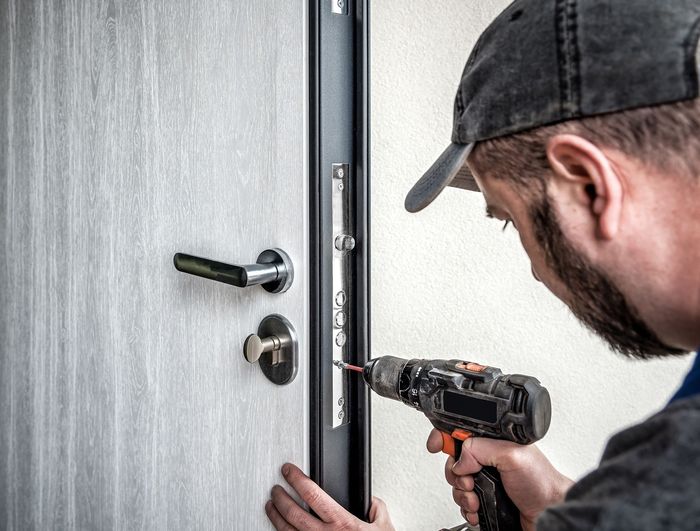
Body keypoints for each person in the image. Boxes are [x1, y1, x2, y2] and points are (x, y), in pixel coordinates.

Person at [265, 0, 700, 529]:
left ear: (588, 186)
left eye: (511, 220)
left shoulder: (675, 473)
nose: (537, 271)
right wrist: (561, 505)